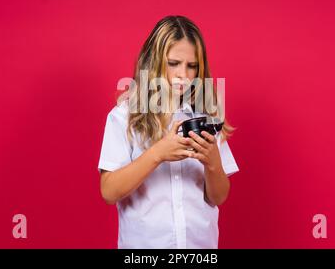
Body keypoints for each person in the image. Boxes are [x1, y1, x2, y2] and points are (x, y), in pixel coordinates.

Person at [98, 15, 239, 248]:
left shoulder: (204, 117)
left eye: (192, 65)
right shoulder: (124, 117)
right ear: (154, 62)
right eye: (173, 63)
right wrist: (157, 154)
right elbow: (109, 191)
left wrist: (213, 162)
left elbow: (219, 197)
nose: (183, 74)